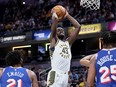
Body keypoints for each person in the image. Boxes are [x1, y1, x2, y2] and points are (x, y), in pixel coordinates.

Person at [47, 9, 81, 87]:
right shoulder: (54, 40)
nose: (61, 31)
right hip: (56, 74)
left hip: (65, 76)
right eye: (58, 30)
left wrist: (67, 15)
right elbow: (54, 25)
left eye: (62, 30)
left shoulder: (67, 43)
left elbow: (78, 27)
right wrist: (54, 16)